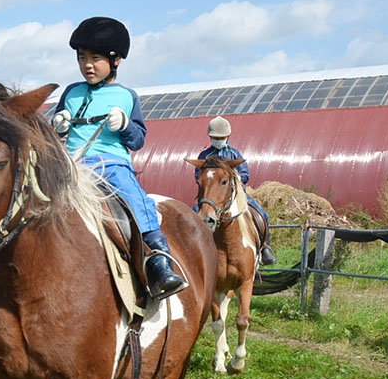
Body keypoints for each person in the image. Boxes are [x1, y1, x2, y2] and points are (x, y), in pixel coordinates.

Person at [51, 16, 185, 301]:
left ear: (116, 61)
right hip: (72, 166)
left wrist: (125, 124)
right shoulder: (70, 93)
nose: (87, 64)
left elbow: (138, 140)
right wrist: (58, 123)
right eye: (82, 57)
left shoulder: (126, 96)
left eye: (95, 58)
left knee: (137, 202)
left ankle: (160, 262)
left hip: (111, 165)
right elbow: (56, 132)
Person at [195, 116, 278, 265]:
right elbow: (198, 174)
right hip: (210, 196)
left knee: (262, 214)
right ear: (210, 137)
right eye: (215, 137)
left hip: (235, 194)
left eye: (221, 137)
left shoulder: (234, 154)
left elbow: (245, 173)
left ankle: (265, 248)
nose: (218, 140)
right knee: (193, 215)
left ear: (228, 137)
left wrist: (239, 178)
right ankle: (191, 250)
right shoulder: (204, 156)